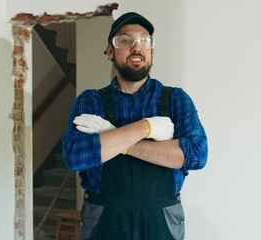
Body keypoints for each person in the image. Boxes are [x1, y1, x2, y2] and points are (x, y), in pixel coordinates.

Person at [62, 12, 208, 240]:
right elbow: (75, 156)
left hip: (161, 221)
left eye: (144, 40)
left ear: (152, 51)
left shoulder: (176, 100)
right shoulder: (90, 101)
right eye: (125, 41)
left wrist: (111, 137)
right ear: (110, 51)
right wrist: (146, 127)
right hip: (104, 219)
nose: (136, 46)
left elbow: (196, 155)